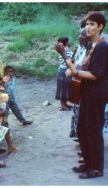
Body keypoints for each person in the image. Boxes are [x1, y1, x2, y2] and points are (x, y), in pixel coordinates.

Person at [67, 11, 108, 179]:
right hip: (88, 93)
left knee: (93, 131)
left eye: (92, 24)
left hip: (97, 93)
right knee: (82, 130)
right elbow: (85, 70)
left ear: (100, 26)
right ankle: (88, 163)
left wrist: (75, 71)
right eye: (86, 24)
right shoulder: (93, 46)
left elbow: (96, 74)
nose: (88, 27)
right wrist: (74, 70)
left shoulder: (103, 47)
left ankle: (96, 168)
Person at [55, 36, 73, 111]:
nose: (69, 42)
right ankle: (62, 105)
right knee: (63, 88)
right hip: (64, 70)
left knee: (65, 87)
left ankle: (64, 104)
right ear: (65, 42)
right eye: (68, 41)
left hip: (65, 70)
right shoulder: (64, 50)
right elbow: (68, 60)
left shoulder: (66, 49)